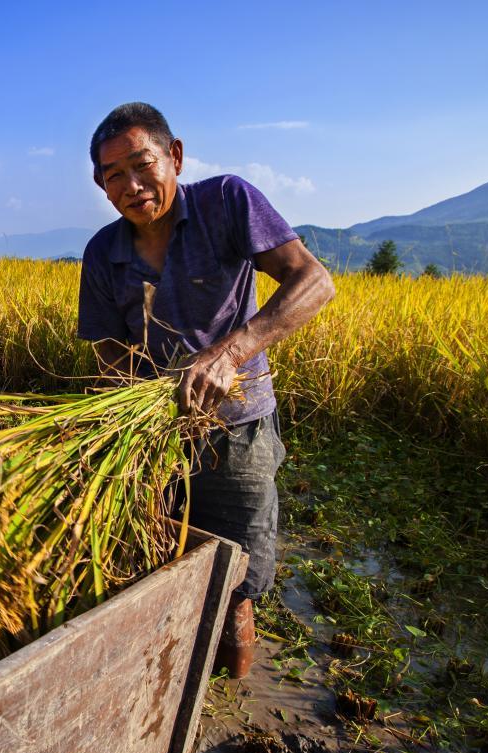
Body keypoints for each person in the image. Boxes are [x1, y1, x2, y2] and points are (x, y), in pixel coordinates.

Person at [78, 102, 334, 679]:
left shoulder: (226, 203)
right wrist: (133, 404)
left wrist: (228, 353)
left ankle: (230, 694)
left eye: (142, 164)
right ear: (101, 184)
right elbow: (107, 347)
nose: (132, 184)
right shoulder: (102, 253)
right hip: (151, 439)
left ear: (175, 157)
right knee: (153, 555)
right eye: (114, 175)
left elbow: (314, 280)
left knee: (234, 581)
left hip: (236, 428)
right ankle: (165, 682)